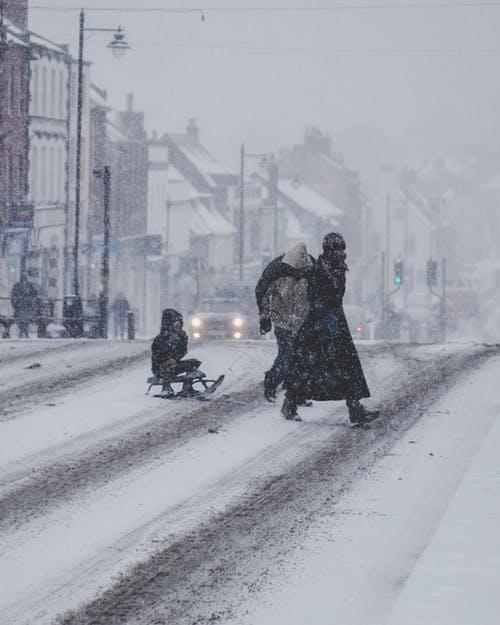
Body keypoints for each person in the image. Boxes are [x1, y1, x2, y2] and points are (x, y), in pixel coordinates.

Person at [282, 232, 379, 425]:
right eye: (337, 249)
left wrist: (333, 318)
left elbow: (336, 297)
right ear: (328, 251)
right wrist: (325, 315)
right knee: (307, 369)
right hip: (316, 327)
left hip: (336, 326)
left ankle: (355, 409)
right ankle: (290, 403)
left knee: (347, 369)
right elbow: (314, 298)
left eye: (343, 249)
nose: (341, 253)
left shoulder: (339, 270)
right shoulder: (317, 271)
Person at [255, 243, 314, 402]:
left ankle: (296, 394)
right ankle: (271, 382)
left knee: (302, 358)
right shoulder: (276, 271)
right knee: (286, 356)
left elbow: (317, 296)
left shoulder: (311, 271)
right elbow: (263, 294)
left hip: (302, 322)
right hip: (282, 321)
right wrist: (264, 317)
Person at [151, 308, 202, 398]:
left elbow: (182, 351)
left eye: (179, 324)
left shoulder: (180, 335)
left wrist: (182, 341)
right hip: (161, 368)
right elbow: (157, 355)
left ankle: (187, 387)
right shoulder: (161, 338)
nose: (178, 326)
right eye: (176, 324)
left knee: (192, 362)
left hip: (174, 365)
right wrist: (169, 359)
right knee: (168, 364)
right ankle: (166, 388)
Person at [10, 274, 41, 339]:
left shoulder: (17, 286)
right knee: (25, 320)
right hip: (26, 307)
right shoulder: (29, 286)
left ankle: (22, 333)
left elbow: (13, 296)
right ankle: (24, 333)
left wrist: (15, 304)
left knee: (21, 320)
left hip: (21, 307)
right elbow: (35, 294)